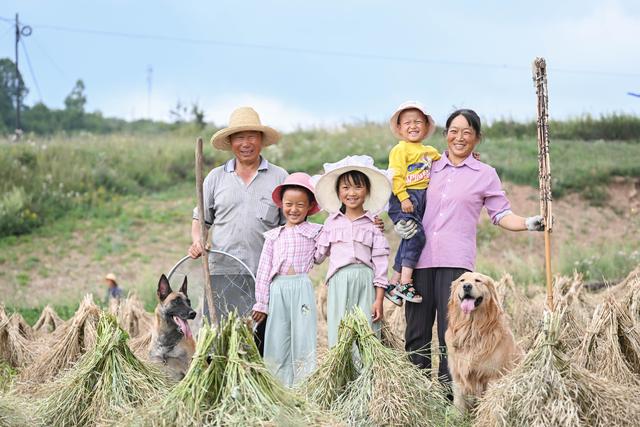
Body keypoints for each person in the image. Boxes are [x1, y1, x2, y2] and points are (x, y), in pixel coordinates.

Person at [395, 109, 545, 393]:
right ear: (445, 134)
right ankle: (415, 396)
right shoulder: (428, 164)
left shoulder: (485, 174)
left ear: (477, 138)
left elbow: (501, 214)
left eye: (467, 132)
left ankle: (449, 396)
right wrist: (389, 220)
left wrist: (528, 223)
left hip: (456, 264)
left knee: (452, 333)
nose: (459, 137)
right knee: (415, 333)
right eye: (453, 131)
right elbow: (401, 193)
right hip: (419, 259)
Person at [188, 106, 289, 334]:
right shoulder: (216, 178)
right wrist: (198, 241)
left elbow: (288, 225)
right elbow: (200, 220)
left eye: (252, 136)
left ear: (261, 140)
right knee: (219, 339)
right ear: (231, 142)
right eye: (240, 137)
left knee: (260, 340)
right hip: (222, 271)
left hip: (263, 273)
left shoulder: (279, 177)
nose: (246, 143)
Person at [251, 172, 322, 386]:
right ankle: (278, 383)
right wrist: (262, 303)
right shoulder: (274, 236)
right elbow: (264, 272)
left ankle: (303, 383)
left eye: (300, 204)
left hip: (301, 287)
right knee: (277, 335)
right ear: (281, 204)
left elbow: (319, 256)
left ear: (310, 206)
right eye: (289, 204)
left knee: (303, 334)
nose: (294, 209)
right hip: (278, 289)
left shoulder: (316, 232)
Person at [314, 155, 391, 347]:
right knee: (340, 335)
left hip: (366, 282)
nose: (352, 193)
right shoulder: (331, 223)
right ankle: (342, 374)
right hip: (339, 282)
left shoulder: (373, 224)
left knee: (367, 334)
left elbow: (380, 264)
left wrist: (379, 299)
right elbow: (317, 256)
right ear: (338, 192)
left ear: (367, 191)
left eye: (358, 187)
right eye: (345, 187)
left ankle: (366, 376)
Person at [385, 101, 441, 306]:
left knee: (409, 239)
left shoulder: (430, 151)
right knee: (416, 237)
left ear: (426, 126)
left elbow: (446, 162)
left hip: (421, 197)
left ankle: (393, 282)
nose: (413, 126)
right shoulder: (400, 150)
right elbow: (395, 176)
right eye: (407, 122)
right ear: (399, 128)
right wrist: (403, 198)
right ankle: (406, 283)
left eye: (418, 122)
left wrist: (471, 157)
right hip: (405, 197)